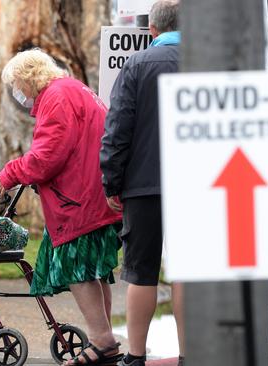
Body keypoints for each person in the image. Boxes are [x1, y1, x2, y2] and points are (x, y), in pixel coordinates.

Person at [0, 49, 123, 365]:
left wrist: (8, 174)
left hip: (78, 199)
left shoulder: (56, 98)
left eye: (16, 85)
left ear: (27, 78)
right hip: (94, 192)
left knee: (77, 269)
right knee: (93, 270)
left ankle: (102, 341)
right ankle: (103, 338)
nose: (17, 93)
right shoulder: (73, 89)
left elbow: (47, 157)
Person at [99, 2, 184, 366]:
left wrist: (111, 182)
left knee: (140, 271)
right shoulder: (206, 62)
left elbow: (117, 130)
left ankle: (135, 357)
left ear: (151, 31)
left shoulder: (136, 65)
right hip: (194, 187)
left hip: (143, 186)